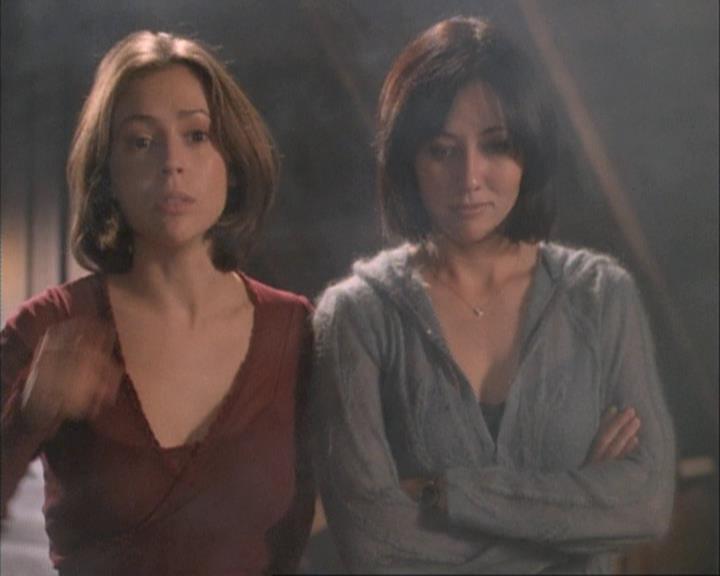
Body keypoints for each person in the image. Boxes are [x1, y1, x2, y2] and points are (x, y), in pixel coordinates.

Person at [311, 16, 675, 574]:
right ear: (408, 160)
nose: (470, 177)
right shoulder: (357, 316)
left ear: (529, 149)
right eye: (441, 150)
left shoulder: (601, 297)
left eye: (496, 145)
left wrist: (445, 493)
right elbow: (372, 543)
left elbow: (645, 504)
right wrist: (576, 521)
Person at [1, 30, 314, 575]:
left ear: (231, 158)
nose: (172, 162)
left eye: (196, 135)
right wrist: (27, 419)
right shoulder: (48, 326)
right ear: (107, 171)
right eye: (141, 141)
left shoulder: (295, 331)